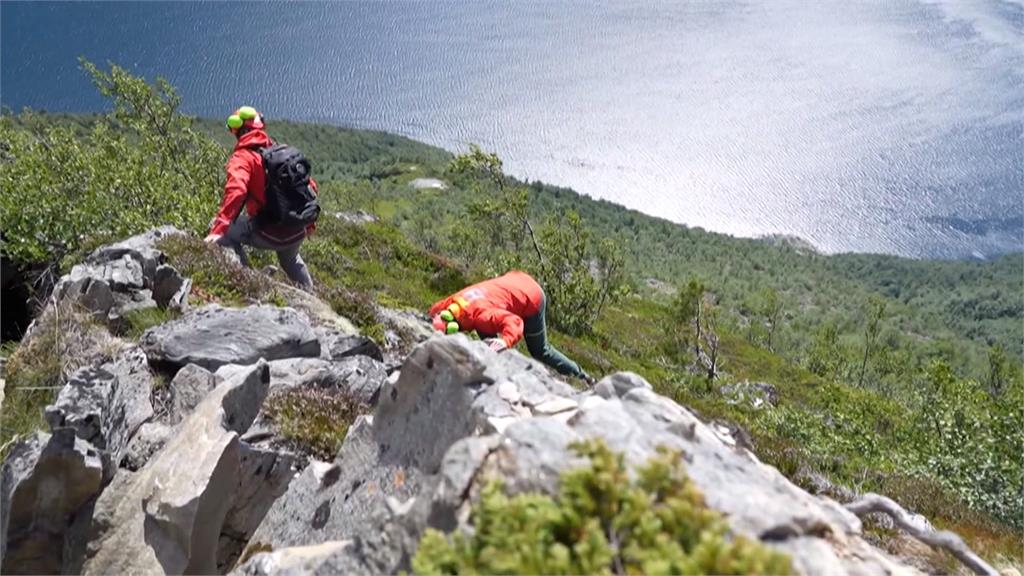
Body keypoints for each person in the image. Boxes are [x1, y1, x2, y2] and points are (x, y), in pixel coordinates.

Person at [204, 106, 316, 290]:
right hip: (297, 229)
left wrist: (218, 228)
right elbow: (309, 187)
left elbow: (237, 190)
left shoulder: (243, 157)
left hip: (271, 233)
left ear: (238, 131)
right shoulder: (281, 152)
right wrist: (308, 225)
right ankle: (312, 298)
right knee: (291, 259)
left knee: (221, 230)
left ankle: (248, 282)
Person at [429, 271, 596, 384]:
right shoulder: (454, 302)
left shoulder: (483, 317)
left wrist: (506, 341)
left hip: (532, 296)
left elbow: (514, 321)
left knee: (540, 350)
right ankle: (496, 367)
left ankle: (582, 377)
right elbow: (436, 309)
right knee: (488, 340)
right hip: (515, 279)